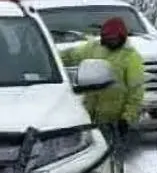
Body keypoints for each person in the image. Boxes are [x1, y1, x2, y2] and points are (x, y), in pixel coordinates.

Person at [60, 17, 146, 157]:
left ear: (122, 37)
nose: (111, 41)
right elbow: (70, 55)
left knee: (110, 158)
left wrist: (127, 119)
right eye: (108, 38)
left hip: (114, 122)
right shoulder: (93, 48)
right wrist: (51, 57)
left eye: (114, 38)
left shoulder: (131, 57)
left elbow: (136, 93)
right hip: (89, 117)